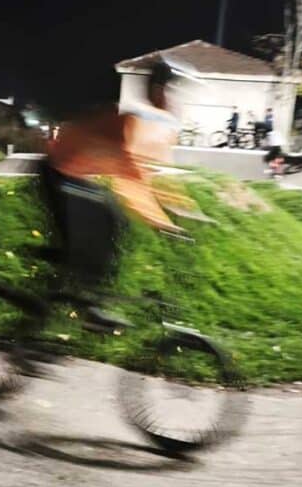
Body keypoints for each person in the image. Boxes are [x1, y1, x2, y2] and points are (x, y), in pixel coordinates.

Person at [43, 59, 191, 327]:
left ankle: (71, 295)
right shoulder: (128, 124)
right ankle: (88, 304)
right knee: (105, 220)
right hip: (58, 173)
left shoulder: (139, 122)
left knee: (112, 217)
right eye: (169, 93)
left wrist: (178, 209)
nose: (173, 102)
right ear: (157, 91)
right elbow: (130, 178)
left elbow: (150, 175)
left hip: (71, 173)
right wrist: (163, 223)